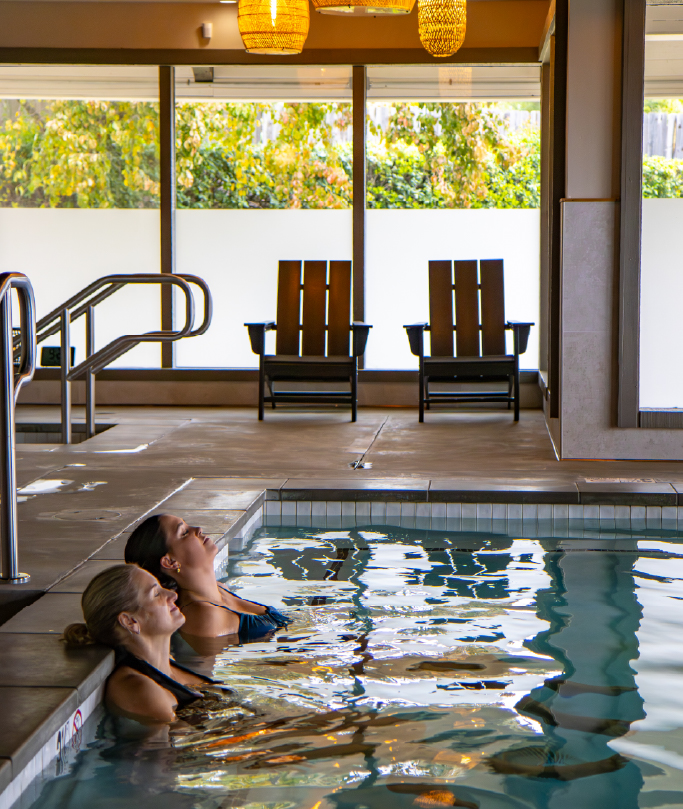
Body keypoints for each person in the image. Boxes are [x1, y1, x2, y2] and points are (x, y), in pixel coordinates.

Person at [62, 564, 227, 724]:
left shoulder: (165, 664)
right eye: (156, 593)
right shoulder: (142, 690)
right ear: (130, 621)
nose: (172, 595)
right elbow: (180, 746)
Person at [124, 514, 290, 642]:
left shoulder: (220, 589)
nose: (198, 529)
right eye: (184, 533)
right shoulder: (202, 617)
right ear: (170, 562)